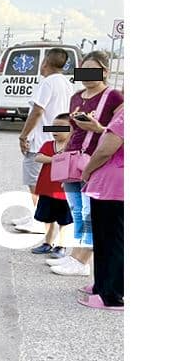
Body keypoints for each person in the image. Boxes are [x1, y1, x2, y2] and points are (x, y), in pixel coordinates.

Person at [49, 51, 123, 277]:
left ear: (105, 71)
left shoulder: (114, 97)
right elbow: (70, 129)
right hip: (72, 159)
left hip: (96, 161)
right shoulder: (76, 97)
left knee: (91, 212)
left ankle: (83, 259)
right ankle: (75, 257)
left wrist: (98, 128)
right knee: (77, 211)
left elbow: (118, 131)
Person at [14, 48, 75, 234]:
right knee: (46, 182)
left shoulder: (48, 83)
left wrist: (24, 135)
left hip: (41, 140)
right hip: (57, 138)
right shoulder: (67, 83)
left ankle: (39, 221)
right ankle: (36, 215)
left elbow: (37, 111)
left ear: (45, 63)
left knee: (35, 181)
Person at [79, 104, 124, 310]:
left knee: (111, 239)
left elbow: (108, 148)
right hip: (113, 185)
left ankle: (111, 295)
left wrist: (87, 170)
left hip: (114, 185)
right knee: (107, 238)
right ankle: (103, 285)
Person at [29, 114, 73, 256]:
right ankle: (47, 242)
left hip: (64, 192)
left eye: (61, 127)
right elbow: (38, 157)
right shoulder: (48, 145)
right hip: (47, 189)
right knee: (47, 218)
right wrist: (56, 159)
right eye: (54, 127)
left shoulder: (72, 147)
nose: (55, 130)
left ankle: (62, 245)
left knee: (64, 221)